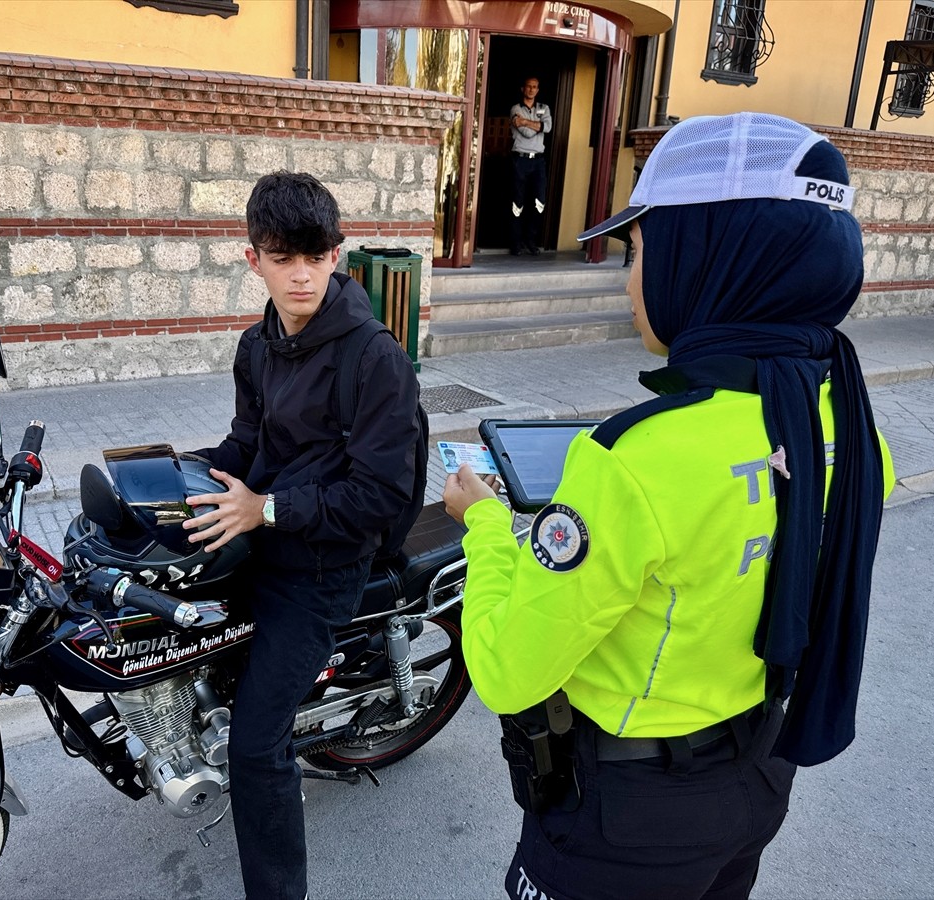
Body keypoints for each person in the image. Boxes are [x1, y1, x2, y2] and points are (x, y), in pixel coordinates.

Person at [443, 112, 895, 899]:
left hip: (627, 821)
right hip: (761, 775)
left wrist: (484, 524)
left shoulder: (635, 459)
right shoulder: (849, 424)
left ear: (707, 260)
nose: (628, 278)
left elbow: (508, 674)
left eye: (641, 250)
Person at [183, 171, 421, 899]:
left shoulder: (372, 357)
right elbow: (246, 440)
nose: (301, 275)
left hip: (327, 561)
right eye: (284, 257)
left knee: (257, 748)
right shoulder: (258, 345)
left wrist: (268, 510)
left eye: (315, 257)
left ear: (337, 255)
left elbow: (377, 494)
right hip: (267, 529)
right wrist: (187, 484)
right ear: (253, 257)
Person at [509, 75, 552, 256]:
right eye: (528, 86)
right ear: (523, 89)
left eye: (535, 87)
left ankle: (530, 240)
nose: (531, 89)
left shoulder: (544, 108)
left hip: (538, 161)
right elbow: (526, 133)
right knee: (518, 203)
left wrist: (526, 121)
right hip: (520, 159)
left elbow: (548, 127)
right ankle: (516, 243)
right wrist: (537, 125)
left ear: (538, 90)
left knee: (539, 202)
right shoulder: (516, 108)